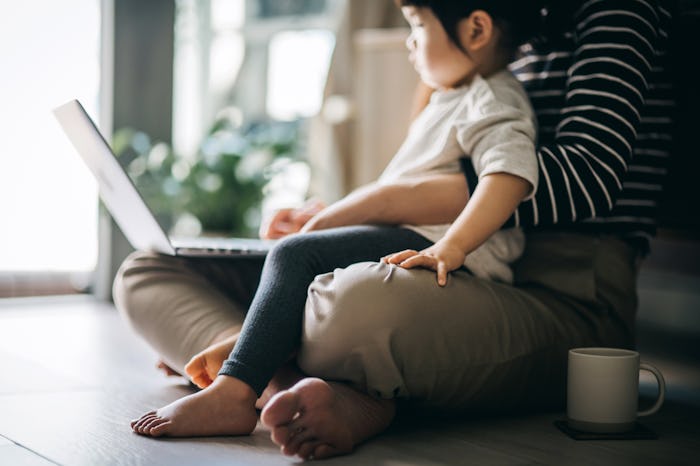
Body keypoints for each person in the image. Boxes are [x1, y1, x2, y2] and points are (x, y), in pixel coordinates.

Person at [115, 0, 673, 461]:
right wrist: (336, 215)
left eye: (416, 26)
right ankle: (297, 381)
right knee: (148, 270)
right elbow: (429, 180)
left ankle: (247, 372)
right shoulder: (473, 68)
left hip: (549, 285)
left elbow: (569, 177)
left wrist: (375, 210)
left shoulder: (579, 36)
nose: (411, 41)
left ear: (477, 29)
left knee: (348, 300)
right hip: (439, 254)